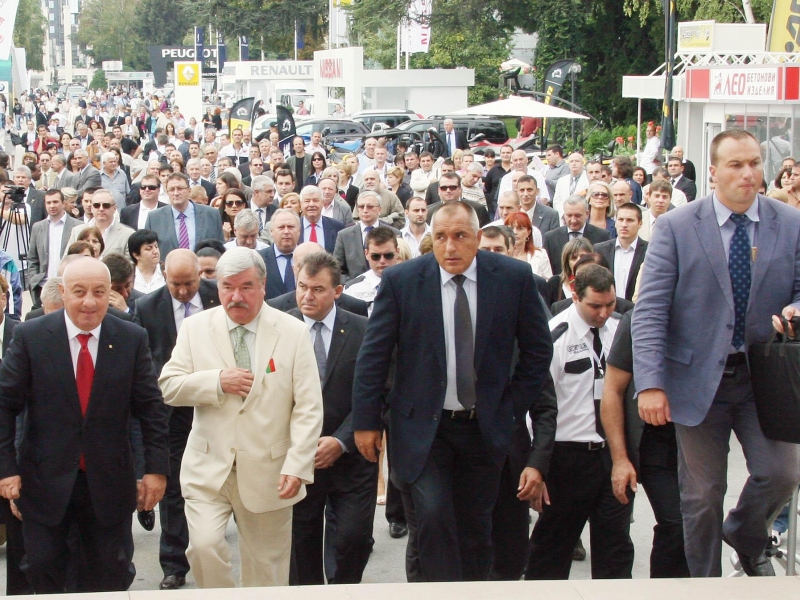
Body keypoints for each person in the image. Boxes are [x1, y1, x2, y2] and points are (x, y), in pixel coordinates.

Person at [352, 202, 554, 582]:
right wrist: (366, 421)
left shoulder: (513, 278)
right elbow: (374, 356)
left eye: (460, 236)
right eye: (441, 237)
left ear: (477, 238)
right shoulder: (402, 281)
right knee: (433, 517)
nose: (450, 247)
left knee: (476, 526)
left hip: (485, 427)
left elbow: (538, 350)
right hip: (422, 429)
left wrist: (511, 407)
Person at [632, 129, 800, 577]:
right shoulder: (676, 226)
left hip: (764, 378)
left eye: (754, 164)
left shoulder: (790, 222)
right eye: (735, 165)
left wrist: (796, 309)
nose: (748, 174)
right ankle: (704, 585)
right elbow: (649, 312)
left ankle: (745, 532)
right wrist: (649, 383)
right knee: (702, 495)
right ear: (712, 171)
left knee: (782, 472)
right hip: (696, 379)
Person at [0, 257, 169, 593]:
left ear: (112, 293)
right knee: (44, 568)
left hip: (109, 482)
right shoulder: (32, 337)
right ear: (63, 292)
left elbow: (150, 408)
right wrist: (6, 468)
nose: (89, 302)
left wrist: (155, 469)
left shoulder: (130, 337)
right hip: (44, 480)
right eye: (79, 292)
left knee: (110, 572)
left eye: (99, 292)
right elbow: (5, 405)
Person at [158, 247, 324, 588]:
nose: (236, 296)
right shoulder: (194, 328)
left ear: (264, 285)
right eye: (227, 287)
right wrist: (216, 381)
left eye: (247, 286)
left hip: (270, 470)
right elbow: (169, 386)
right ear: (216, 287)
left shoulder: (292, 332)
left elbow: (308, 407)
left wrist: (297, 464)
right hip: (208, 469)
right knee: (203, 547)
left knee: (267, 569)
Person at [526, 264, 632, 580]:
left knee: (615, 547)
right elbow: (537, 409)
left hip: (612, 453)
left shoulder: (622, 331)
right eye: (594, 306)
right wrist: (537, 466)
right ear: (575, 295)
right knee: (553, 550)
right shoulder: (554, 335)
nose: (603, 313)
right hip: (566, 457)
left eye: (610, 305)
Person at [133, 249, 220, 590]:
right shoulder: (147, 308)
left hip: (214, 402)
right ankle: (173, 564)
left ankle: (212, 548)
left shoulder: (218, 297)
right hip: (169, 410)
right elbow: (143, 361)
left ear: (201, 274)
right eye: (175, 284)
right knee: (172, 486)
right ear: (163, 277)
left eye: (189, 283)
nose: (183, 292)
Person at [289, 252, 376, 585]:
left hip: (353, 457)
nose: (307, 296)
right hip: (298, 458)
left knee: (352, 540)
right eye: (302, 287)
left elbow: (375, 393)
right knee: (300, 545)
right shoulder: (280, 329)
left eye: (318, 289)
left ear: (337, 291)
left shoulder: (364, 331)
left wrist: (341, 440)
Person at [600, 309, 690, 578]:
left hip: (700, 437)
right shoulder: (636, 319)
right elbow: (613, 390)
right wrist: (620, 458)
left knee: (695, 526)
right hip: (654, 442)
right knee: (676, 522)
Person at [144, 172, 225, 255]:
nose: (176, 193)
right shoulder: (154, 218)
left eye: (180, 188)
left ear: (189, 191)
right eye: (171, 189)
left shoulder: (211, 214)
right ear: (167, 193)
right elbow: (148, 250)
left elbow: (220, 247)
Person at [27, 188, 82, 307]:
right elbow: (32, 258)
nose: (52, 206)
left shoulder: (77, 226)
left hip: (68, 285)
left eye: (55, 202)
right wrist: (33, 279)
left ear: (63, 203)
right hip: (43, 286)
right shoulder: (38, 227)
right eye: (48, 202)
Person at [333, 191, 400, 283]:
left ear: (379, 210)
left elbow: (401, 265)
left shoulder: (395, 234)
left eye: (370, 206)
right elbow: (337, 270)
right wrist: (355, 285)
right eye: (361, 207)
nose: (365, 210)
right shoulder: (344, 235)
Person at [542, 194, 611, 276]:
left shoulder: (602, 236)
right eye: (569, 215)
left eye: (578, 216)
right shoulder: (551, 238)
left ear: (587, 214)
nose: (573, 220)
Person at [594, 203, 648, 302]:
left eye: (630, 220)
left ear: (640, 223)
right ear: (615, 222)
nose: (624, 225)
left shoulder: (649, 251)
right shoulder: (600, 250)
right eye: (620, 219)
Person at [342, 227, 399, 316]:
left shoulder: (411, 284)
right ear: (366, 254)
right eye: (376, 256)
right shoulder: (352, 289)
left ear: (397, 252)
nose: (382, 261)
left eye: (388, 255)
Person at [65, 189, 134, 258]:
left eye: (106, 205)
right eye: (96, 205)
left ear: (114, 208)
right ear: (91, 208)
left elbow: (129, 266)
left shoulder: (128, 234)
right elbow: (66, 261)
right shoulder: (77, 231)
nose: (101, 209)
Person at [259, 209, 301, 300]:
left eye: (290, 227)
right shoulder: (259, 259)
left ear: (299, 231)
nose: (286, 231)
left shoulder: (309, 257)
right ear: (271, 232)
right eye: (281, 227)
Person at [504, 211, 552, 279]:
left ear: (528, 232)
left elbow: (548, 283)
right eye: (511, 228)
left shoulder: (540, 254)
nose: (515, 232)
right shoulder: (500, 255)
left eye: (520, 228)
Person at [298, 185, 345, 253]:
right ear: (301, 204)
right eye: (307, 201)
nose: (311, 204)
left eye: (315, 200)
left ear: (322, 203)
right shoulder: (293, 226)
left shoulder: (337, 226)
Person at [129, 229, 165, 294]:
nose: (155, 251)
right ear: (136, 255)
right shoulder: (128, 275)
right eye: (149, 248)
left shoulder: (166, 271)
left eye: (156, 246)